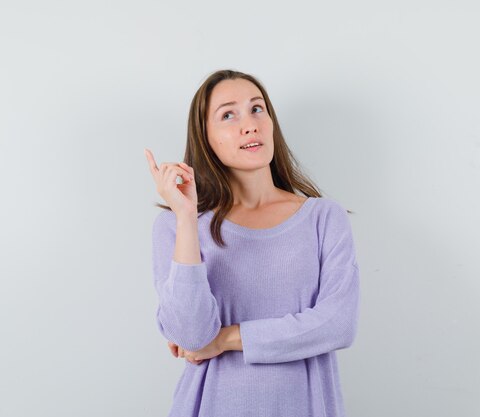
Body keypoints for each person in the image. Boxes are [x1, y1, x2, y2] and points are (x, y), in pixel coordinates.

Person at [144, 69, 360, 417]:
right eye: (228, 114)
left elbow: (338, 324)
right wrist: (186, 217)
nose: (250, 124)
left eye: (257, 109)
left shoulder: (323, 218)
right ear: (205, 137)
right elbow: (192, 336)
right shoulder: (174, 226)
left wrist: (227, 339)